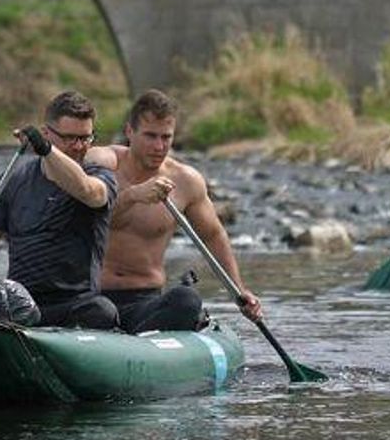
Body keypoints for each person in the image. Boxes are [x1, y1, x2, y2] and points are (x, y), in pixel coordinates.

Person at [0, 90, 119, 330]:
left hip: (75, 304)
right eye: (70, 138)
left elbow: (89, 193)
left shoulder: (99, 176)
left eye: (86, 138)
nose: (79, 147)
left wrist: (48, 150)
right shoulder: (12, 179)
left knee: (103, 311)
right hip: (21, 303)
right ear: (46, 133)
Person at [85, 89, 262, 334]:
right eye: (150, 136)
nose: (159, 146)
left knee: (186, 300)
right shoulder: (104, 163)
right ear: (129, 132)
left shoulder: (185, 181)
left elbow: (213, 236)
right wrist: (134, 195)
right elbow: (88, 215)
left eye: (166, 137)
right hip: (91, 296)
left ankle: (131, 345)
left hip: (143, 300)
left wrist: (239, 290)